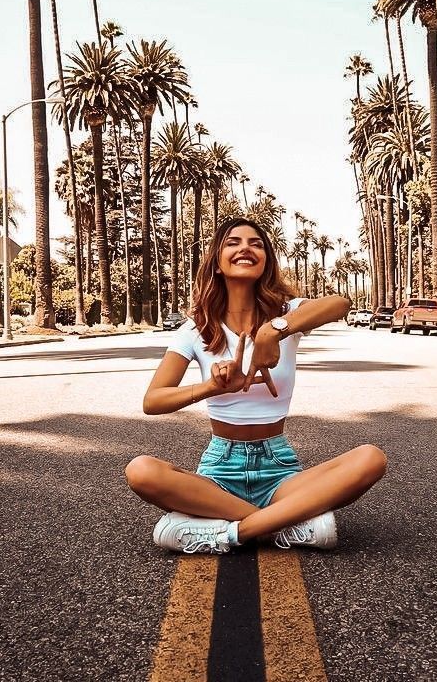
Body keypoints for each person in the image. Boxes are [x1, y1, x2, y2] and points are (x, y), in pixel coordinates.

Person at [125, 217, 387, 554]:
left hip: (279, 470)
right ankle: (284, 523)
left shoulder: (288, 314)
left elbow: (339, 304)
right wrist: (211, 388)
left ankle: (229, 534)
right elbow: (153, 400)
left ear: (266, 262)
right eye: (233, 242)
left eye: (256, 243)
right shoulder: (197, 329)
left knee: (371, 459)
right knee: (142, 470)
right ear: (217, 263)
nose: (246, 248)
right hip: (219, 471)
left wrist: (273, 331)